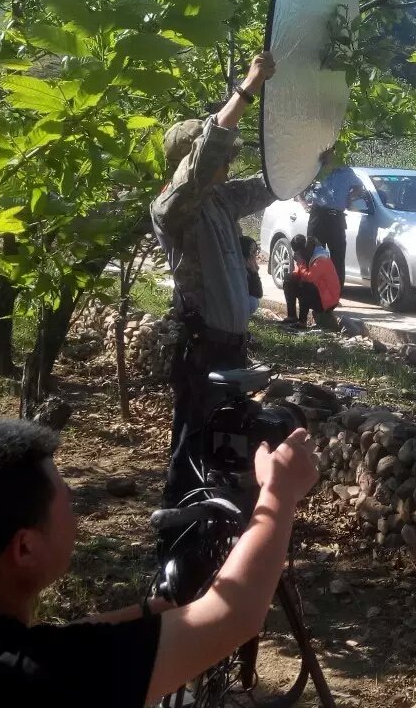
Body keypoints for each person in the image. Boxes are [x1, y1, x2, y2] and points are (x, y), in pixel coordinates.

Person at [0, 418, 318, 708]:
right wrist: (279, 491)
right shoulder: (44, 678)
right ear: (24, 549)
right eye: (66, 500)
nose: (76, 512)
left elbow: (60, 642)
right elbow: (235, 616)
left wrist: (150, 611)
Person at [151, 52, 276, 509]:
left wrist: (311, 159)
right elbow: (206, 156)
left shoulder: (221, 200)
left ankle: (220, 524)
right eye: (221, 158)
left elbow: (271, 183)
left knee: (227, 442)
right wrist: (249, 86)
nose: (227, 164)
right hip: (201, 345)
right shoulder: (173, 208)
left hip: (229, 344)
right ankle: (178, 529)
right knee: (192, 442)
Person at [282, 235, 340, 328]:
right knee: (289, 281)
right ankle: (292, 316)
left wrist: (300, 262)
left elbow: (310, 278)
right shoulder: (308, 256)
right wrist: (292, 275)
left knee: (305, 286)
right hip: (319, 293)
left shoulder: (321, 259)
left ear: (305, 249)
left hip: (327, 300)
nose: (297, 255)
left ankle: (302, 321)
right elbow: (299, 274)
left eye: (298, 252)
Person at [240, 236, 263, 314]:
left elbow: (258, 294)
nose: (255, 254)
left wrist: (255, 273)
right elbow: (258, 293)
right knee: (253, 302)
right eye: (252, 251)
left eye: (256, 250)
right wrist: (254, 273)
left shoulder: (249, 264)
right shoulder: (242, 266)